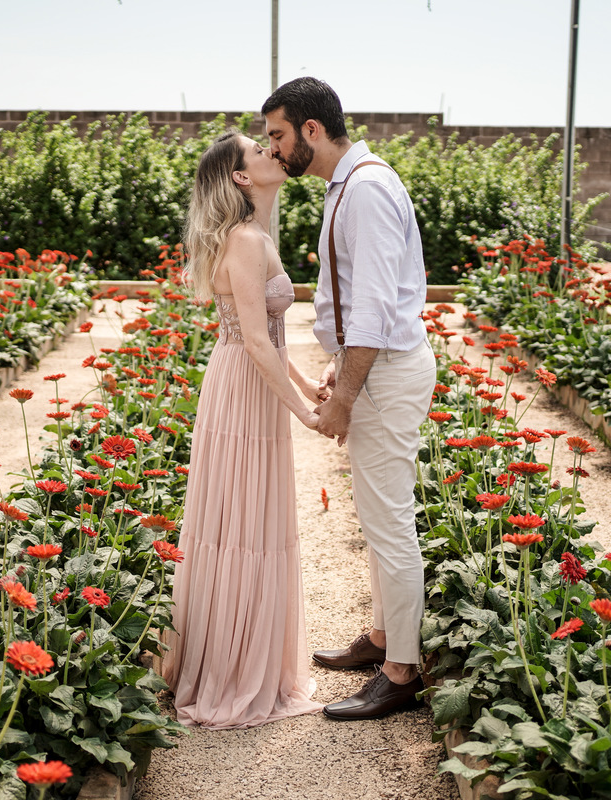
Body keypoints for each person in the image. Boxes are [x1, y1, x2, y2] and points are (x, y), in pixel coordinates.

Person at [262, 77, 435, 721]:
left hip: (387, 372)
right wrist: (341, 371)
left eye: (278, 134)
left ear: (311, 129)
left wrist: (342, 396)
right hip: (373, 369)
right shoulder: (348, 183)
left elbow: (374, 311)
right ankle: (385, 639)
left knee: (390, 521)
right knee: (376, 513)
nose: (273, 149)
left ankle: (401, 672)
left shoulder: (364, 188)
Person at [161, 130, 324, 729]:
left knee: (243, 518)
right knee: (244, 521)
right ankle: (230, 669)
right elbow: (257, 340)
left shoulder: (249, 236)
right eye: (258, 149)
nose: (270, 152)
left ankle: (227, 656)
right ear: (239, 176)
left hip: (243, 378)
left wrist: (309, 388)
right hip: (244, 385)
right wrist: (304, 414)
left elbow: (265, 340)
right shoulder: (248, 239)